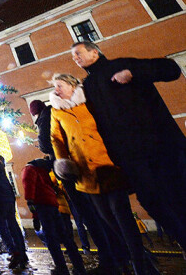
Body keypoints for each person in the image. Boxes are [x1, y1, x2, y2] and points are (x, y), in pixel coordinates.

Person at [71, 41, 186, 251]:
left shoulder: (122, 65)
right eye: (73, 56)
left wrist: (133, 72)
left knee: (178, 196)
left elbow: (171, 69)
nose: (75, 58)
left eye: (78, 53)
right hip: (131, 159)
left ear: (94, 52)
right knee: (152, 202)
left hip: (162, 148)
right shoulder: (87, 86)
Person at [50, 72, 150, 275]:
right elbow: (56, 138)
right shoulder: (56, 112)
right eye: (55, 86)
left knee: (123, 218)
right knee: (109, 221)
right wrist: (63, 162)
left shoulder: (90, 101)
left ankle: (141, 264)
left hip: (109, 167)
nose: (56, 90)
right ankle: (141, 260)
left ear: (72, 85)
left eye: (59, 85)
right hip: (86, 175)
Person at [31, 97, 122, 274]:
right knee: (101, 213)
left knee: (89, 216)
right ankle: (119, 253)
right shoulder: (62, 112)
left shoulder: (45, 119)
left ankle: (109, 259)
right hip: (85, 168)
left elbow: (45, 144)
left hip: (70, 172)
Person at [22, 157, 87, 275]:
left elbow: (29, 192)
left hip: (42, 206)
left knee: (51, 239)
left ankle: (61, 268)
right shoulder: (43, 170)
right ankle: (79, 266)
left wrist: (35, 216)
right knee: (66, 238)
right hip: (53, 204)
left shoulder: (28, 169)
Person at [0, 145, 28, 269]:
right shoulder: (0, 164)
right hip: (9, 195)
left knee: (0, 226)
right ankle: (22, 252)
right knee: (13, 225)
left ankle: (14, 251)